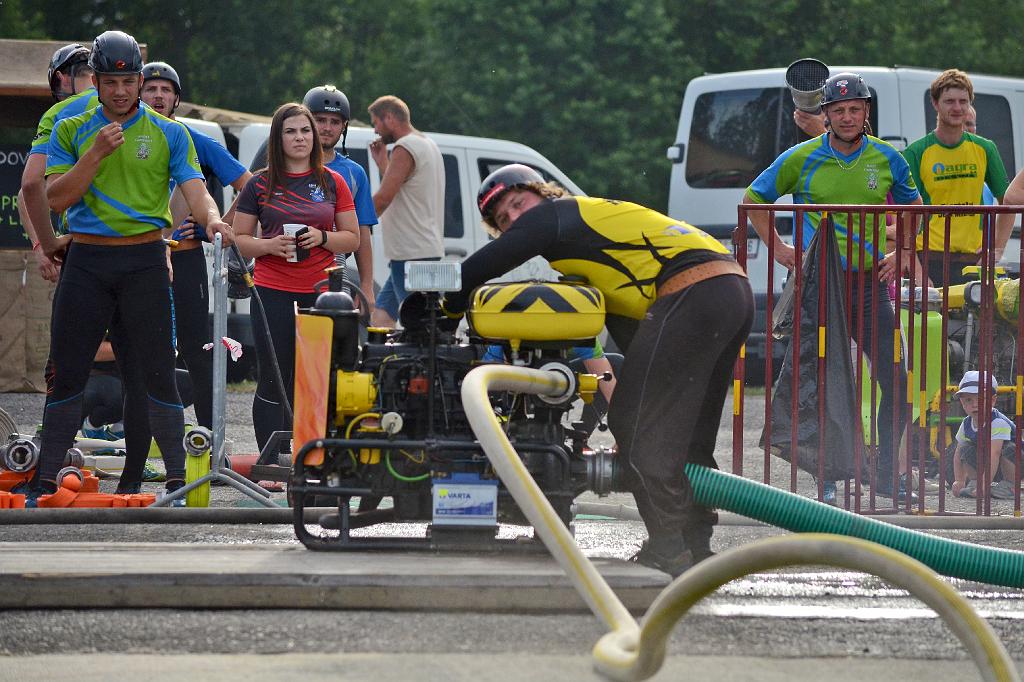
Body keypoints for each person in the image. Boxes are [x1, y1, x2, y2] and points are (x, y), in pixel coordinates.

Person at [441, 164, 753, 577]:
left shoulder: (557, 213)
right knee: (688, 438)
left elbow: (485, 265)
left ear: (543, 193)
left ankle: (669, 552)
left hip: (692, 291)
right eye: (503, 219)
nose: (515, 218)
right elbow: (634, 336)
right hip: (729, 290)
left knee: (637, 429)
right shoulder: (588, 241)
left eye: (518, 203)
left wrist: (444, 308)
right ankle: (696, 548)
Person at [17, 30, 234, 508]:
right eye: (111, 81)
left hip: (144, 261)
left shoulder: (169, 132)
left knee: (157, 373)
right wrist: (95, 153)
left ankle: (177, 481)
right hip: (88, 261)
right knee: (67, 372)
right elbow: (56, 198)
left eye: (129, 81)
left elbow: (196, 191)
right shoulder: (72, 127)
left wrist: (214, 220)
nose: (120, 91)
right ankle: (45, 481)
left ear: (139, 80)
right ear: (95, 81)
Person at [743, 72, 923, 503]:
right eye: (838, 110)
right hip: (820, 288)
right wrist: (781, 249)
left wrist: (903, 251)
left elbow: (915, 207)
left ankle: (884, 475)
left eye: (854, 109)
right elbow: (753, 200)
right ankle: (824, 477)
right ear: (824, 114)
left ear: (866, 112)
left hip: (868, 286)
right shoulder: (801, 157)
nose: (846, 117)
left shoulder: (887, 157)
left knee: (897, 380)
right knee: (820, 383)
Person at [232, 103, 359, 453]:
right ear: (278, 138)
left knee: (315, 379)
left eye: (305, 130)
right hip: (271, 290)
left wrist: (322, 237)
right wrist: (269, 245)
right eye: (290, 131)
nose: (300, 138)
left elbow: (353, 238)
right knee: (274, 377)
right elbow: (239, 239)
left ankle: (310, 456)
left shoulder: (333, 181)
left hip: (321, 294)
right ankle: (272, 460)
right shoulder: (258, 183)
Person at [902, 69, 1010, 286]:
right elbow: (905, 214)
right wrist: (916, 270)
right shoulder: (916, 152)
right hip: (928, 257)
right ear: (935, 103)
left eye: (963, 101)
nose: (957, 108)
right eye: (949, 101)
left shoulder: (985, 148)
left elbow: (1008, 201)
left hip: (972, 261)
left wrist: (996, 250)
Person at [18, 43, 96, 283]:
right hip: (141, 245)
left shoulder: (59, 113)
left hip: (82, 245)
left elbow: (29, 186)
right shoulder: (135, 109)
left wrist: (45, 245)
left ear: (61, 78)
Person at [367, 95, 444, 328]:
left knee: (420, 326)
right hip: (421, 249)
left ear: (389, 118)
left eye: (376, 123)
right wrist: (383, 163)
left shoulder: (405, 147)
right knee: (381, 318)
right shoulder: (426, 144)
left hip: (411, 254)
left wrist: (354, 223)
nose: (375, 130)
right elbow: (405, 187)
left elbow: (384, 198)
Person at [303, 85, 378, 306]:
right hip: (283, 275)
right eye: (320, 120)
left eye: (335, 122)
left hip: (333, 276)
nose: (327, 128)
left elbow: (363, 233)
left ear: (344, 127)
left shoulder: (354, 173)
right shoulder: (284, 165)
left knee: (330, 329)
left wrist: (367, 287)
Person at [950, 371, 1018, 500]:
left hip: (1015, 464)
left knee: (1008, 448)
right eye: (968, 400)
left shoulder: (998, 422)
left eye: (980, 399)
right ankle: (975, 481)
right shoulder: (966, 423)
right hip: (990, 465)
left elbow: (994, 453)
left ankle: (1011, 485)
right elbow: (958, 452)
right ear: (962, 403)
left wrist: (984, 485)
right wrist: (959, 480)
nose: (975, 404)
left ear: (993, 400)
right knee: (966, 448)